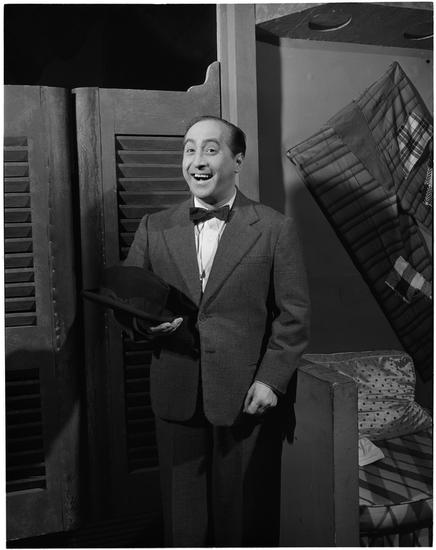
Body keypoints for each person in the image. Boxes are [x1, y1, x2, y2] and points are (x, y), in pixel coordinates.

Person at [124, 116, 310, 547]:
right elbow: (129, 302)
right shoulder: (154, 227)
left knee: (241, 520)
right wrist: (146, 324)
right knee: (183, 524)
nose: (197, 160)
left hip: (246, 396)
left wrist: (271, 380)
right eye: (189, 150)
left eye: (211, 149)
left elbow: (294, 315)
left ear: (237, 160)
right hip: (175, 390)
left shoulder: (275, 228)